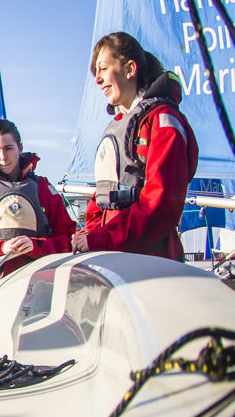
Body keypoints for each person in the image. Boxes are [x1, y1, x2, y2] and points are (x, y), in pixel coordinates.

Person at [72, 31, 198, 260]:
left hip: (149, 262)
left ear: (130, 69)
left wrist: (99, 239)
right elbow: (101, 199)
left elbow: (160, 205)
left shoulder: (162, 122)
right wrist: (89, 233)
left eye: (103, 68)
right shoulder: (120, 125)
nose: (97, 79)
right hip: (113, 258)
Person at [0, 118, 75, 280]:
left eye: (8, 148)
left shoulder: (44, 189)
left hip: (39, 288)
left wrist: (36, 246)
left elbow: (68, 241)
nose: (3, 157)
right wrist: (1, 248)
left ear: (20, 148)